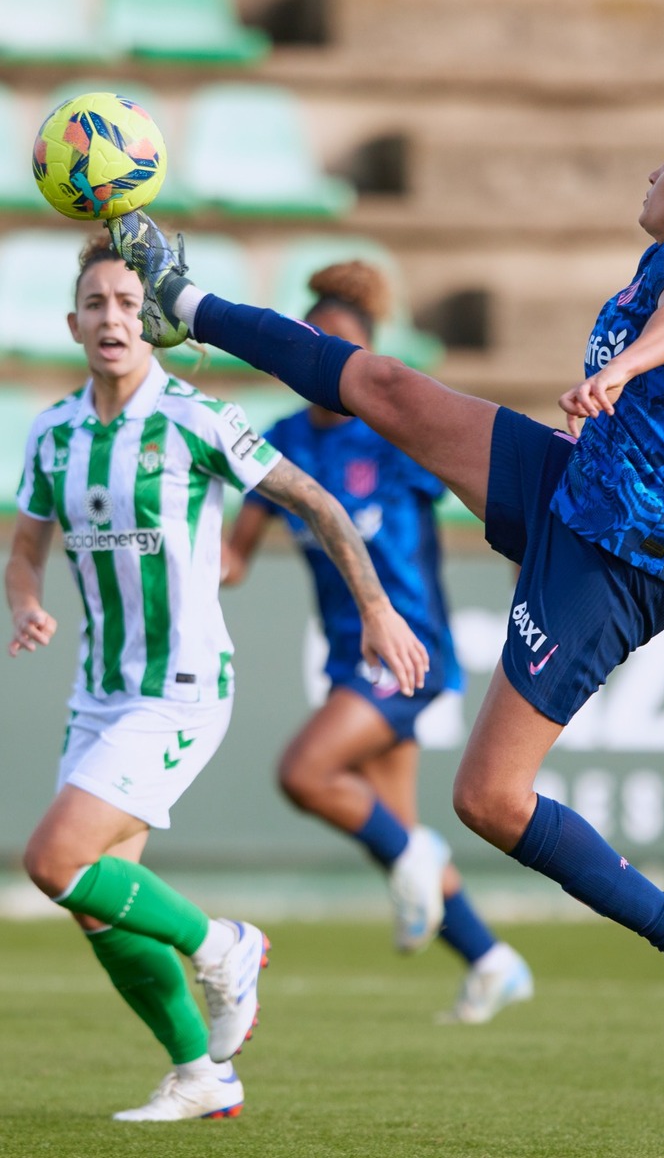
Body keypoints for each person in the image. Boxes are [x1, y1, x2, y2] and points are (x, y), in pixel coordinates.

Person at [107, 115, 664, 1061]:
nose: (657, 167)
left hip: (618, 553)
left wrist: (623, 368)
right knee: (385, 386)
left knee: (489, 800)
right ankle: (186, 302)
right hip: (584, 488)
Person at [4, 240, 428, 1121]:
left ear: (151, 321)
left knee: (53, 859)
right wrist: (26, 600)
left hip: (182, 687)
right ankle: (202, 1073)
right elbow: (27, 540)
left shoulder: (196, 418)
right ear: (73, 322)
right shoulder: (51, 433)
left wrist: (380, 612)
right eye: (97, 304)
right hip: (100, 692)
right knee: (99, 909)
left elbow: (317, 501)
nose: (114, 318)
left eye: (130, 302)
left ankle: (225, 943)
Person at [222, 260, 533, 1024]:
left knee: (305, 773)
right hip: (346, 659)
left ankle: (422, 869)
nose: (326, 361)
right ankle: (492, 961)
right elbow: (234, 556)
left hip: (408, 651)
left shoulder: (394, 437)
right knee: (397, 835)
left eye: (342, 347)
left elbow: (477, 481)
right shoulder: (283, 441)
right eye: (315, 342)